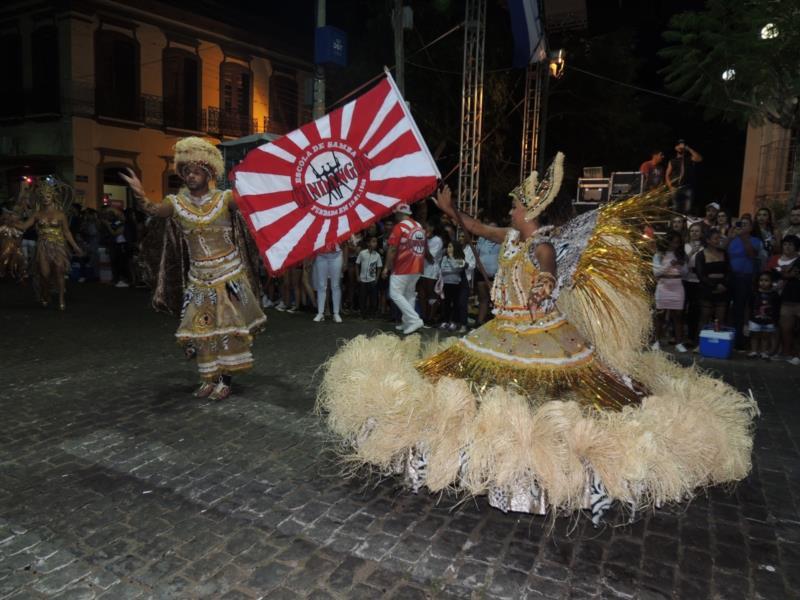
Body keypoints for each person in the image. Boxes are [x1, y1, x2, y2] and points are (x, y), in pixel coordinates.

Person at [318, 153, 757, 522]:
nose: (509, 211)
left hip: (540, 333)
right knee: (470, 379)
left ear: (529, 210)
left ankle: (536, 458)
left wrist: (545, 284)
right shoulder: (509, 237)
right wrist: (451, 210)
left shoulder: (542, 245)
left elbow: (547, 270)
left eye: (514, 205)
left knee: (538, 393)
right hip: (503, 329)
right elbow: (474, 227)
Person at [120, 137, 266, 401]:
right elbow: (152, 209)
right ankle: (207, 377)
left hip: (228, 276)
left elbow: (253, 202)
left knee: (225, 331)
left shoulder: (225, 199)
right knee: (202, 331)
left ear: (208, 173)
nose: (190, 176)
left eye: (196, 171)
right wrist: (140, 193)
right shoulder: (176, 204)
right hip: (198, 279)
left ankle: (225, 380)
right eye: (186, 171)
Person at [14, 179, 83, 309]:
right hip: (43, 247)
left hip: (58, 246)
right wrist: (12, 222)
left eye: (48, 196)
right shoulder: (37, 214)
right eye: (43, 196)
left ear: (53, 197)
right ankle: (45, 293)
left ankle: (62, 299)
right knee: (44, 274)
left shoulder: (61, 215)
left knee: (59, 272)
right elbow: (24, 227)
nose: (45, 199)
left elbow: (67, 232)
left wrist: (75, 246)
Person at [381, 203, 426, 334]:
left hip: (403, 266)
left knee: (395, 294)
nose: (395, 216)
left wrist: (386, 267)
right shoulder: (419, 226)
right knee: (409, 294)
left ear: (400, 214)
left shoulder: (399, 227)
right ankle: (407, 322)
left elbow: (393, 248)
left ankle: (414, 320)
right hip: (418, 265)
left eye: (396, 214)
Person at [728, 215, 764, 350]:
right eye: (740, 224)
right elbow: (723, 249)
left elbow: (752, 254)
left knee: (741, 309)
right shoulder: (733, 239)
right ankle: (730, 337)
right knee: (730, 310)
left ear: (751, 227)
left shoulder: (755, 240)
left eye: (745, 224)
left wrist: (743, 237)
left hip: (745, 278)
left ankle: (741, 341)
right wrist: (731, 234)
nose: (742, 226)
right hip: (731, 277)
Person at [653, 231, 689, 352]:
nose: (675, 244)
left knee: (678, 316)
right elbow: (656, 272)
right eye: (673, 242)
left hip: (677, 287)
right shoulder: (658, 255)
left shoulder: (681, 255)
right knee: (660, 316)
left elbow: (685, 273)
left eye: (678, 242)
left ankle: (679, 343)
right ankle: (656, 341)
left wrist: (679, 265)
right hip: (663, 287)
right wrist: (669, 264)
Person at [769, 235, 800, 365]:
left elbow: (791, 274)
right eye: (785, 244)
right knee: (785, 329)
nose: (787, 247)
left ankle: (797, 355)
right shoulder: (776, 259)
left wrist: (780, 272)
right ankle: (787, 354)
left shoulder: (798, 261)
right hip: (786, 300)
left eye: (790, 245)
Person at [695, 229, 730, 331]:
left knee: (721, 318)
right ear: (708, 240)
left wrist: (724, 285)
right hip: (707, 288)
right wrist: (714, 286)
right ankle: (700, 343)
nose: (718, 240)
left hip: (723, 287)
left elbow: (729, 271)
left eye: (719, 238)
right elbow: (700, 274)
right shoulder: (700, 255)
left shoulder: (724, 253)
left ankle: (719, 343)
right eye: (716, 238)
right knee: (704, 317)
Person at [747, 272, 780, 359]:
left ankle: (763, 352)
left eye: (766, 280)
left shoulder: (774, 295)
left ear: (771, 282)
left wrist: (775, 321)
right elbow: (749, 307)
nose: (763, 282)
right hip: (755, 320)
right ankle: (754, 351)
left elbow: (777, 309)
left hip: (769, 320)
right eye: (761, 280)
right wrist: (747, 320)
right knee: (754, 335)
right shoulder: (754, 293)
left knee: (766, 336)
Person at [666, 140, 703, 214]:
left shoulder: (690, 158)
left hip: (687, 188)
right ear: (675, 147)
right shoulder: (672, 161)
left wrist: (688, 148)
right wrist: (670, 187)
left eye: (682, 144)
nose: (680, 146)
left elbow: (699, 159)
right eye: (679, 145)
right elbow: (667, 175)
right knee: (675, 210)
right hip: (675, 188)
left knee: (687, 210)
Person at [418, 221, 444, 325]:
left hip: (432, 272)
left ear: (432, 228)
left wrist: (423, 242)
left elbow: (429, 258)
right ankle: (424, 318)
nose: (425, 229)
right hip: (421, 271)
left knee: (431, 296)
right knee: (422, 296)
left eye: (427, 226)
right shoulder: (424, 239)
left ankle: (431, 318)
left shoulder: (437, 240)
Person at [438, 239, 467, 332]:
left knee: (455, 303)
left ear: (456, 248)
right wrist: (451, 268)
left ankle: (454, 322)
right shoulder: (444, 258)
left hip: (456, 284)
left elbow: (457, 269)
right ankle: (446, 321)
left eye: (450, 247)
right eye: (448, 247)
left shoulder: (460, 259)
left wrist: (451, 258)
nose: (448, 249)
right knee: (446, 303)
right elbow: (443, 269)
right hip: (446, 283)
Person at [312, 243, 345, 323]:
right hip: (321, 255)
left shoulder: (337, 229)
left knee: (335, 285)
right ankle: (320, 313)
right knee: (321, 285)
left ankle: (336, 313)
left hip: (336, 255)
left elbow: (345, 241)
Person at [475, 224, 500, 325]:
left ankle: (497, 322)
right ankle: (479, 322)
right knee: (483, 298)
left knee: (495, 300)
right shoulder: (482, 239)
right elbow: (477, 253)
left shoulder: (501, 240)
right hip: (481, 273)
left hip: (495, 275)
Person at [684, 222, 704, 345]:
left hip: (698, 280)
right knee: (684, 308)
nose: (694, 233)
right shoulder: (684, 246)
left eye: (697, 231)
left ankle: (693, 336)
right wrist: (691, 252)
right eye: (692, 231)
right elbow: (681, 261)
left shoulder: (704, 247)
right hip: (685, 279)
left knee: (695, 309)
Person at [356, 236, 382, 318]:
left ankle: (372, 313)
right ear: (368, 243)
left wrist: (377, 278)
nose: (375, 243)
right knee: (362, 297)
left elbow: (379, 267)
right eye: (373, 241)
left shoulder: (377, 255)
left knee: (373, 298)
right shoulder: (362, 253)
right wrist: (357, 276)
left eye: (376, 242)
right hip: (363, 279)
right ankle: (363, 313)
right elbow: (357, 264)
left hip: (372, 280)